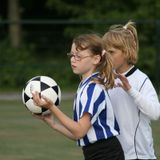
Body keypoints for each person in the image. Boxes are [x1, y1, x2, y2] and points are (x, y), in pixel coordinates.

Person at [32, 33, 125, 160]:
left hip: (107, 154)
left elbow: (79, 131)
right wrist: (53, 124)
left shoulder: (92, 89)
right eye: (72, 55)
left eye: (79, 56)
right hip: (96, 153)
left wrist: (51, 107)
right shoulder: (85, 86)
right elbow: (80, 135)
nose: (73, 59)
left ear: (96, 59)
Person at [102, 21, 160, 160]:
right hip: (114, 155)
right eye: (105, 52)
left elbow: (156, 113)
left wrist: (130, 90)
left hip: (139, 156)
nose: (106, 56)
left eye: (111, 52)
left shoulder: (141, 79)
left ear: (126, 52)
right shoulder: (104, 79)